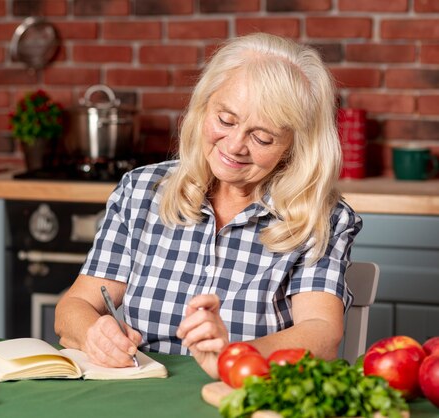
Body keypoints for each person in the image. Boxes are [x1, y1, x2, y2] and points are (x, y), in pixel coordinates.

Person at [54, 32, 362, 379]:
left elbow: (322, 333)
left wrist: (232, 355)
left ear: (295, 146)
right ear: (203, 107)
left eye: (262, 137)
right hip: (142, 393)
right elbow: (74, 307)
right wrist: (95, 334)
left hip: (244, 393)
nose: (234, 145)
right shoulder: (141, 191)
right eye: (225, 120)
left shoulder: (320, 218)